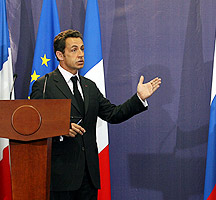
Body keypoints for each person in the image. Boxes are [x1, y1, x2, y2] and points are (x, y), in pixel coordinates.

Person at [31, 29, 161, 200]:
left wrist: (138, 98)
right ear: (60, 55)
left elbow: (113, 114)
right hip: (60, 176)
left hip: (89, 177)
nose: (80, 54)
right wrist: (59, 128)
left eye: (82, 49)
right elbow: (34, 124)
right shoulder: (45, 84)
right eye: (74, 49)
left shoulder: (89, 86)